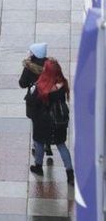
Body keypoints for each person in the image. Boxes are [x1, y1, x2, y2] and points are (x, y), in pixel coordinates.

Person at [20, 46, 73, 183]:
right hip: (59, 120)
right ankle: (70, 174)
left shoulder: (41, 86)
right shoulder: (63, 83)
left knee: (38, 142)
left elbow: (33, 101)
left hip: (43, 121)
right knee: (61, 145)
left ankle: (38, 166)